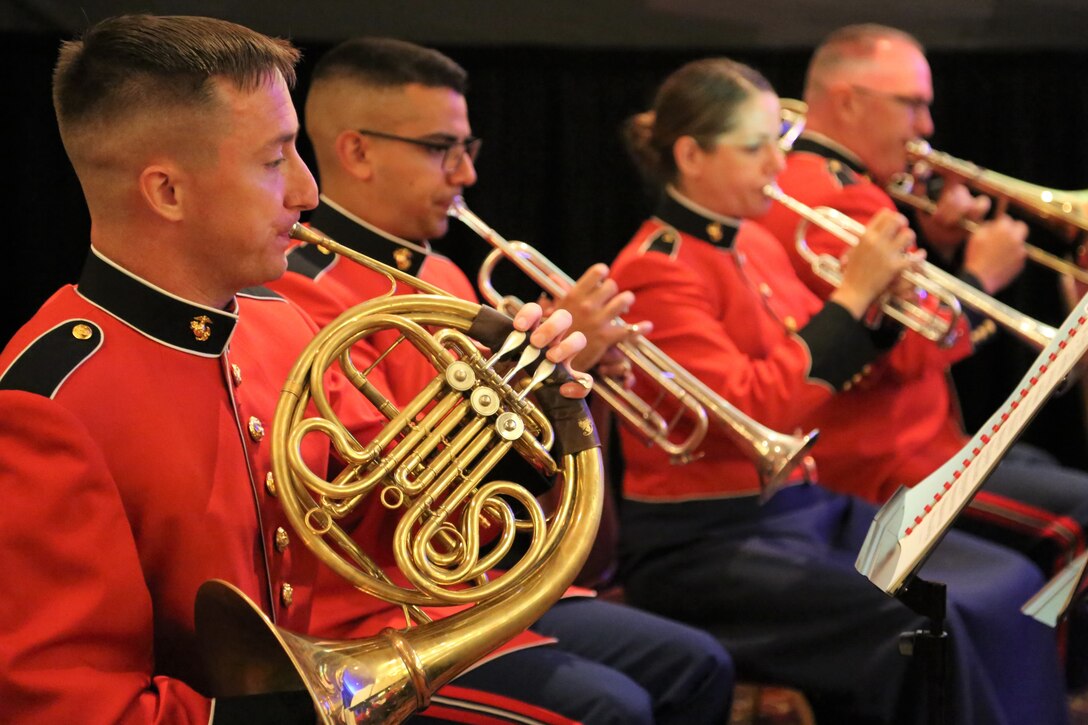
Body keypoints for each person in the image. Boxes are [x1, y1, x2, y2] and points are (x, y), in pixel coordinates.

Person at [0, 15, 601, 723]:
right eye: (274, 159)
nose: (309, 192)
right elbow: (70, 703)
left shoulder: (279, 323)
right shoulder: (49, 399)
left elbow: (385, 527)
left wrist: (518, 404)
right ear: (167, 192)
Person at [264, 36, 734, 725]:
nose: (466, 175)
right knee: (614, 707)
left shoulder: (443, 276)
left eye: (468, 149)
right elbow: (385, 498)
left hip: (480, 588)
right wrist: (533, 373)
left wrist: (571, 384)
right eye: (439, 148)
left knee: (699, 664)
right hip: (382, 612)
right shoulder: (303, 297)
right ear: (358, 152)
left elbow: (523, 510)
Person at [609, 55, 1069, 724]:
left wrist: (883, 300)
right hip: (705, 543)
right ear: (691, 155)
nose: (776, 163)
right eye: (754, 146)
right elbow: (752, 409)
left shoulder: (756, 246)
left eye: (780, 141)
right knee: (924, 623)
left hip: (802, 511)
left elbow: (840, 361)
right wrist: (855, 296)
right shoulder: (656, 269)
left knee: (1013, 581)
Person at [758, 23, 1088, 580]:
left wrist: (938, 248)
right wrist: (981, 277)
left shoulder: (833, 183)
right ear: (848, 102)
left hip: (925, 443)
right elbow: (907, 350)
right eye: (912, 105)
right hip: (890, 467)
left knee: (1051, 471)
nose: (927, 127)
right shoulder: (840, 199)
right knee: (1079, 512)